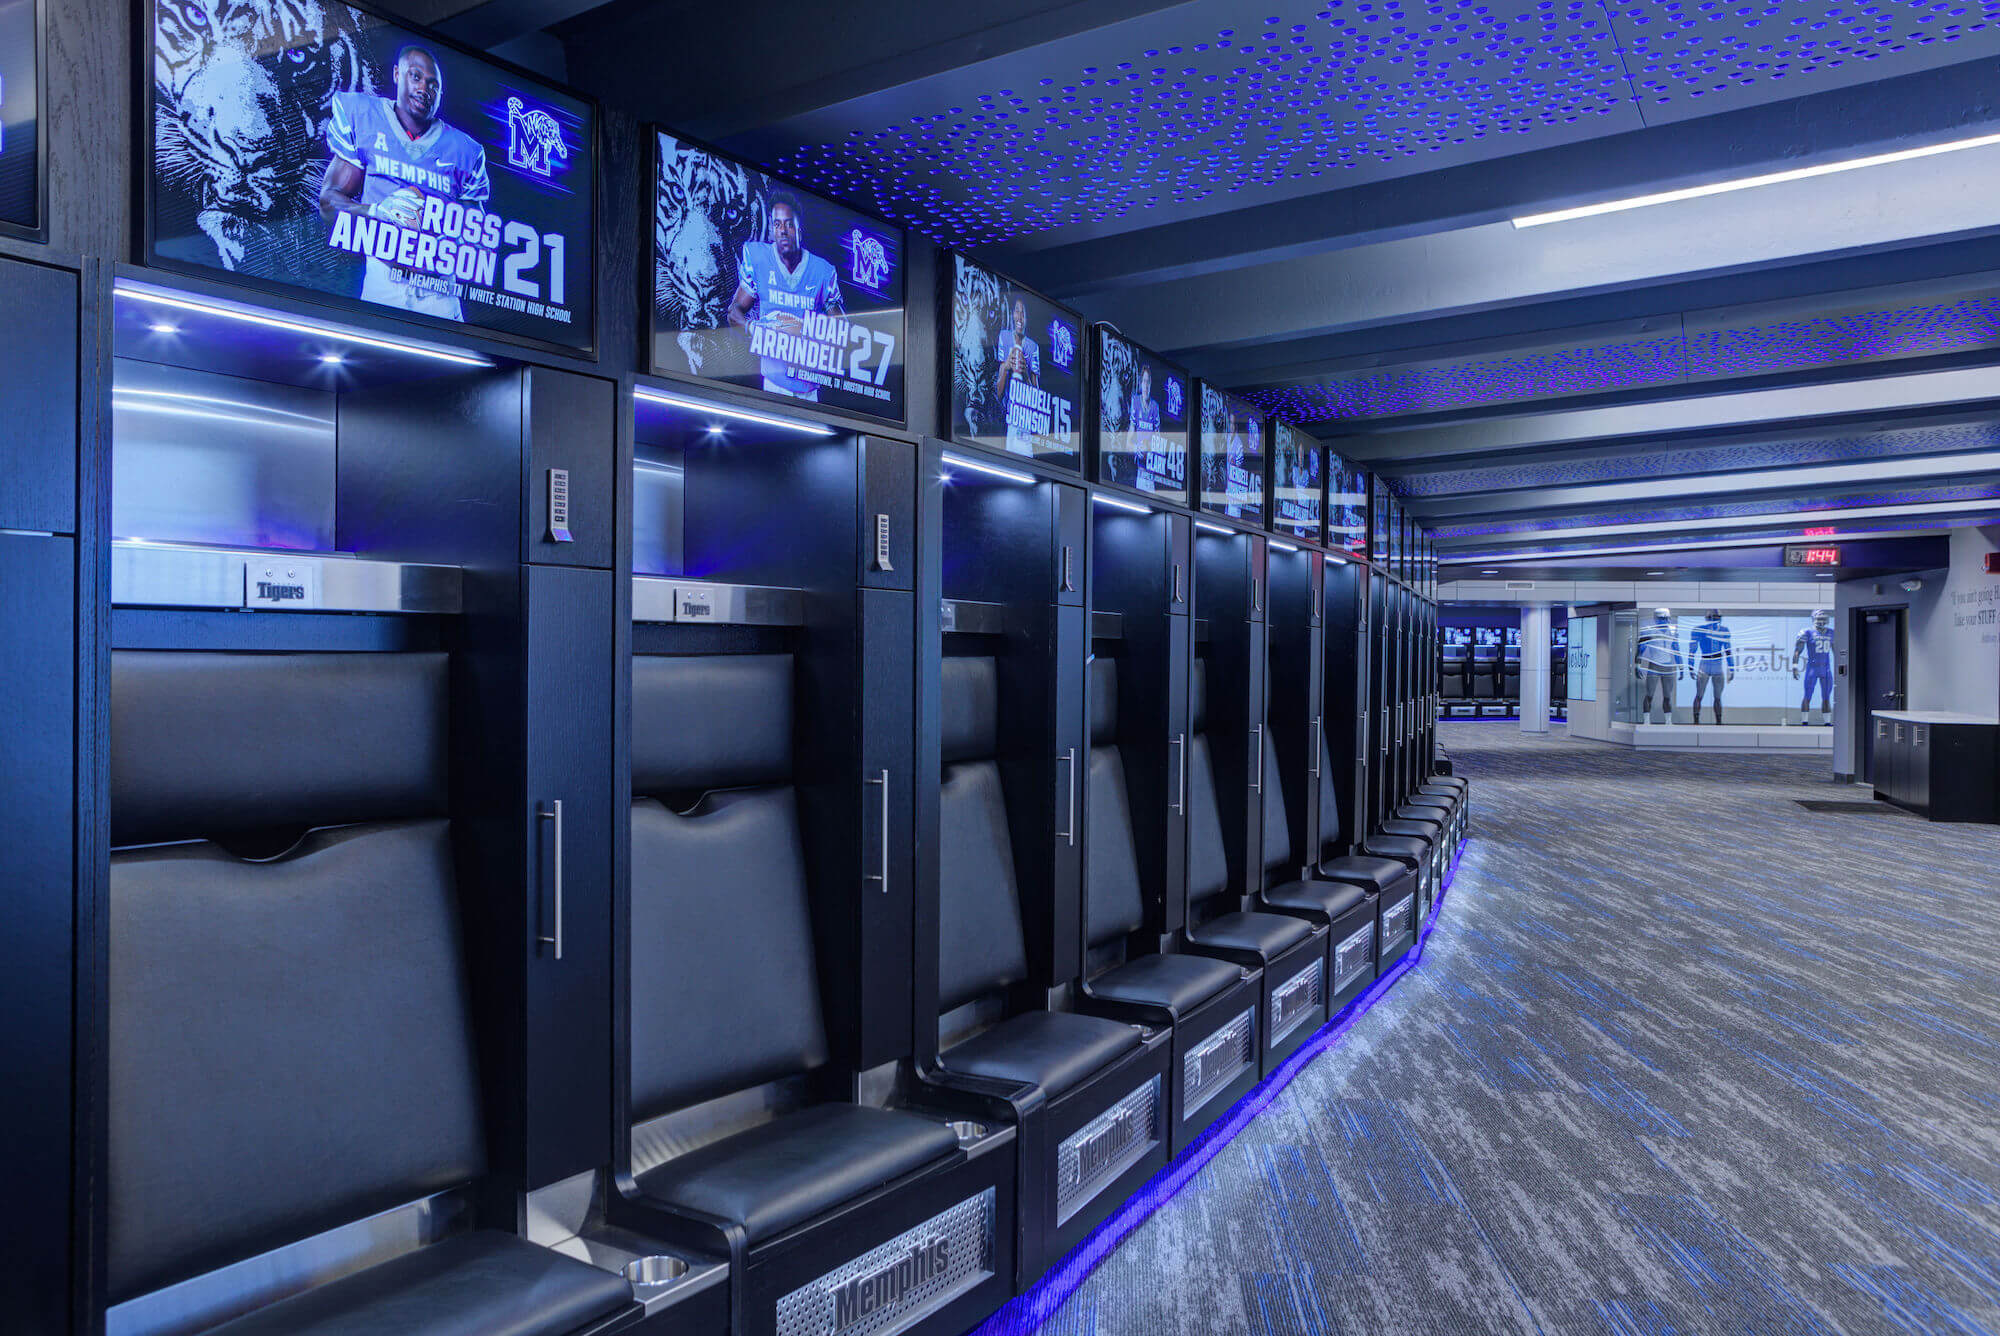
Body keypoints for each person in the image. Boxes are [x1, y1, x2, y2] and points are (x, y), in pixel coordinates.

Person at [321, 45, 491, 320]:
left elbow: (480, 239)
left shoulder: (465, 151)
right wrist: (378, 212)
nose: (424, 88)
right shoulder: (363, 116)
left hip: (439, 290)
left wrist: (442, 231)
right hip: (384, 281)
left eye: (433, 84)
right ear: (398, 74)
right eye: (416, 77)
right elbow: (328, 203)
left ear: (440, 94)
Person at [728, 193, 845, 401]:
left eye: (789, 225)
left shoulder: (823, 271)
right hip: (773, 383)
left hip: (809, 386)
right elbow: (734, 313)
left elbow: (842, 330)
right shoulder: (758, 257)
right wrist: (757, 329)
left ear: (799, 229)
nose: (782, 231)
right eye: (777, 225)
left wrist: (803, 329)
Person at [993, 295, 1040, 453]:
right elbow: (998, 393)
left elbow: (1038, 400)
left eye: (1023, 313)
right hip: (1007, 420)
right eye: (1017, 311)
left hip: (1024, 423)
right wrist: (1006, 366)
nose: (1020, 317)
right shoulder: (1004, 337)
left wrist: (1025, 373)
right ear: (1012, 314)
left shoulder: (1033, 347)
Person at [1634, 607, 1682, 724]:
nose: (1664, 621)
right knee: (1649, 694)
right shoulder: (1649, 630)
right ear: (1656, 619)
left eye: (1666, 619)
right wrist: (1637, 665)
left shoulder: (1673, 629)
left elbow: (1676, 648)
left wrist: (1681, 667)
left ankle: (1668, 721)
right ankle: (1646, 721)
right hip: (1654, 665)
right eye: (1661, 619)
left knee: (1667, 696)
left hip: (1668, 666)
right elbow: (1641, 648)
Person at [1687, 610, 1735, 724]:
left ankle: (1718, 721)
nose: (1716, 620)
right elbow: (1692, 650)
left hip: (1716, 663)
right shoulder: (1699, 630)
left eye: (1717, 617)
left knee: (1717, 697)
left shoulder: (1724, 630)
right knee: (1699, 694)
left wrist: (1731, 668)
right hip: (1705, 662)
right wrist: (1690, 666)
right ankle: (1696, 721)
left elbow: (1728, 651)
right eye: (1714, 617)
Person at [1793, 608, 1836, 725]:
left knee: (1826, 696)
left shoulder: (1831, 633)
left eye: (1823, 619)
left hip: (1826, 668)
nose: (1821, 621)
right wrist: (1794, 666)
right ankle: (1804, 721)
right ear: (1813, 619)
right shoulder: (1807, 632)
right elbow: (1798, 650)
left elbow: (1836, 652)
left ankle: (1827, 722)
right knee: (1807, 695)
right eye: (1819, 618)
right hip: (1812, 668)